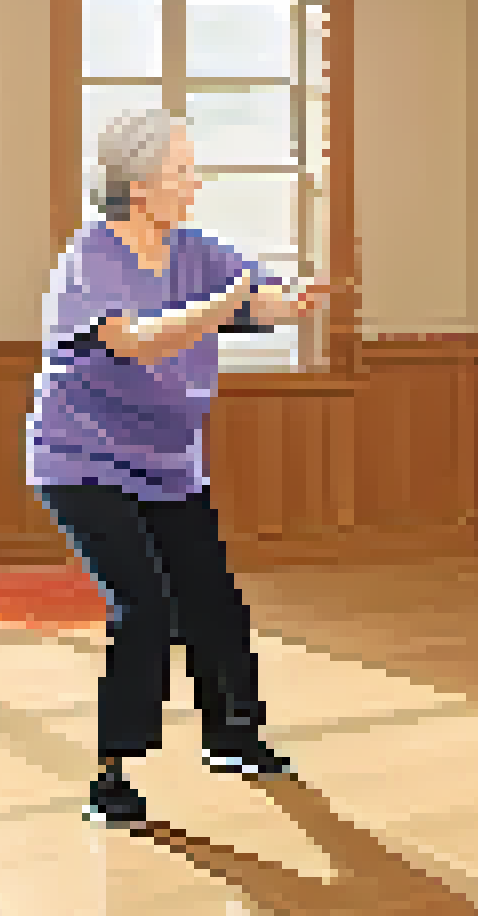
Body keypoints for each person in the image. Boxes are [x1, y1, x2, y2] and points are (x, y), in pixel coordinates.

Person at [28, 109, 322, 829]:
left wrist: (290, 305)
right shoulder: (91, 257)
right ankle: (113, 773)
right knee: (146, 605)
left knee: (212, 598)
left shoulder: (196, 251)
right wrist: (224, 306)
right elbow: (136, 343)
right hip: (82, 458)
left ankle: (234, 735)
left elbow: (261, 298)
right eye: (182, 171)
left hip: (168, 462)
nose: (196, 183)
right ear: (137, 183)